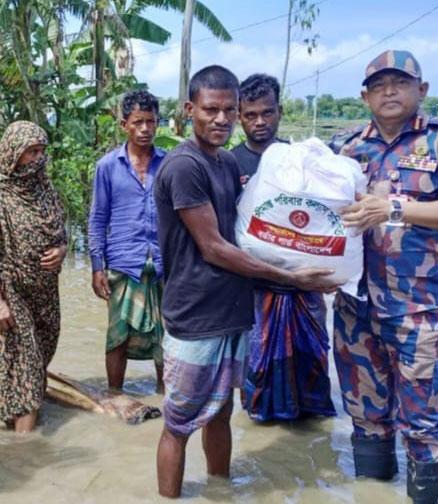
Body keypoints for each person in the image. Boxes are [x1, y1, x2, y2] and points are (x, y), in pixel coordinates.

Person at [153, 65, 338, 498]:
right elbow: (214, 248)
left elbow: (253, 231)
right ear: (188, 110)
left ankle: (221, 491)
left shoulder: (224, 162)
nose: (222, 119)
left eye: (229, 110)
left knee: (221, 414)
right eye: (211, 109)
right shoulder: (185, 166)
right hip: (195, 316)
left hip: (232, 311)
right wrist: (291, 276)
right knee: (178, 424)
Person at [330, 50, 438, 503]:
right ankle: (372, 495)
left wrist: (396, 207)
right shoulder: (346, 149)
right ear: (365, 97)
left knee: (424, 424)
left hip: (422, 310)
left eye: (400, 83)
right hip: (356, 307)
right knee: (366, 417)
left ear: (422, 90)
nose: (389, 91)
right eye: (379, 85)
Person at [230, 74, 336, 422]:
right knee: (258, 365)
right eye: (250, 115)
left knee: (312, 360)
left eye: (268, 112)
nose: (260, 122)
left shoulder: (301, 159)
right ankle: (263, 426)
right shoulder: (230, 164)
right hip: (256, 289)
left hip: (306, 285)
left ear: (280, 111)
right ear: (239, 116)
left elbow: (324, 218)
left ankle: (311, 428)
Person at [0, 120, 67, 434]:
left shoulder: (45, 189)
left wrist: (62, 251)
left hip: (46, 293)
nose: (37, 159)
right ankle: (25, 454)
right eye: (30, 152)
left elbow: (61, 233)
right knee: (26, 366)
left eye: (40, 151)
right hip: (11, 291)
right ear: (12, 154)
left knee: (36, 362)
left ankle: (15, 424)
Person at [88, 90, 165, 393]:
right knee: (117, 335)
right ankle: (115, 394)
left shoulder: (169, 164)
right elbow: (97, 219)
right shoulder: (107, 166)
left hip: (162, 262)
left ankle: (164, 395)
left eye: (150, 121)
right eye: (138, 122)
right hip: (123, 263)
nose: (145, 129)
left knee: (166, 336)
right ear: (124, 125)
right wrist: (97, 266)